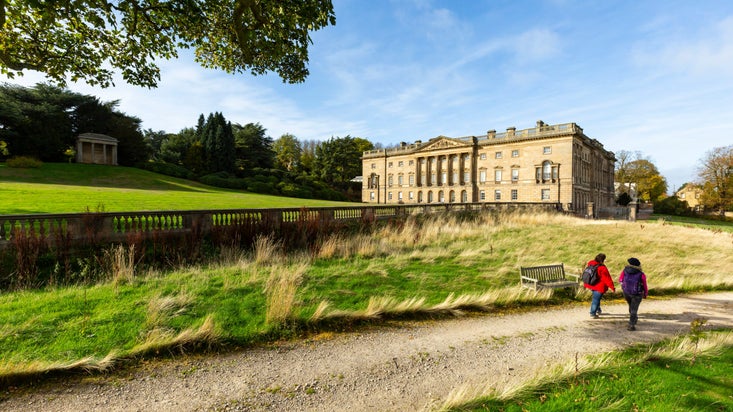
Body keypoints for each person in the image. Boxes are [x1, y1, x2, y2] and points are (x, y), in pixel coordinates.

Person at [619, 257, 649, 331]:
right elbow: (644, 285)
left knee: (631, 306)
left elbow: (620, 279)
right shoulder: (641, 274)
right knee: (634, 309)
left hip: (626, 292)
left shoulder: (625, 271)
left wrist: (623, 287)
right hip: (637, 294)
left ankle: (633, 318)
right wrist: (645, 293)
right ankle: (631, 325)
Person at [583, 253, 615, 318]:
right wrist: (612, 287)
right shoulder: (602, 268)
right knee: (596, 300)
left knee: (596, 298)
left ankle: (598, 310)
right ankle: (592, 313)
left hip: (591, 284)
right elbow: (607, 279)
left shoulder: (591, 263)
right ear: (602, 260)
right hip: (599, 287)